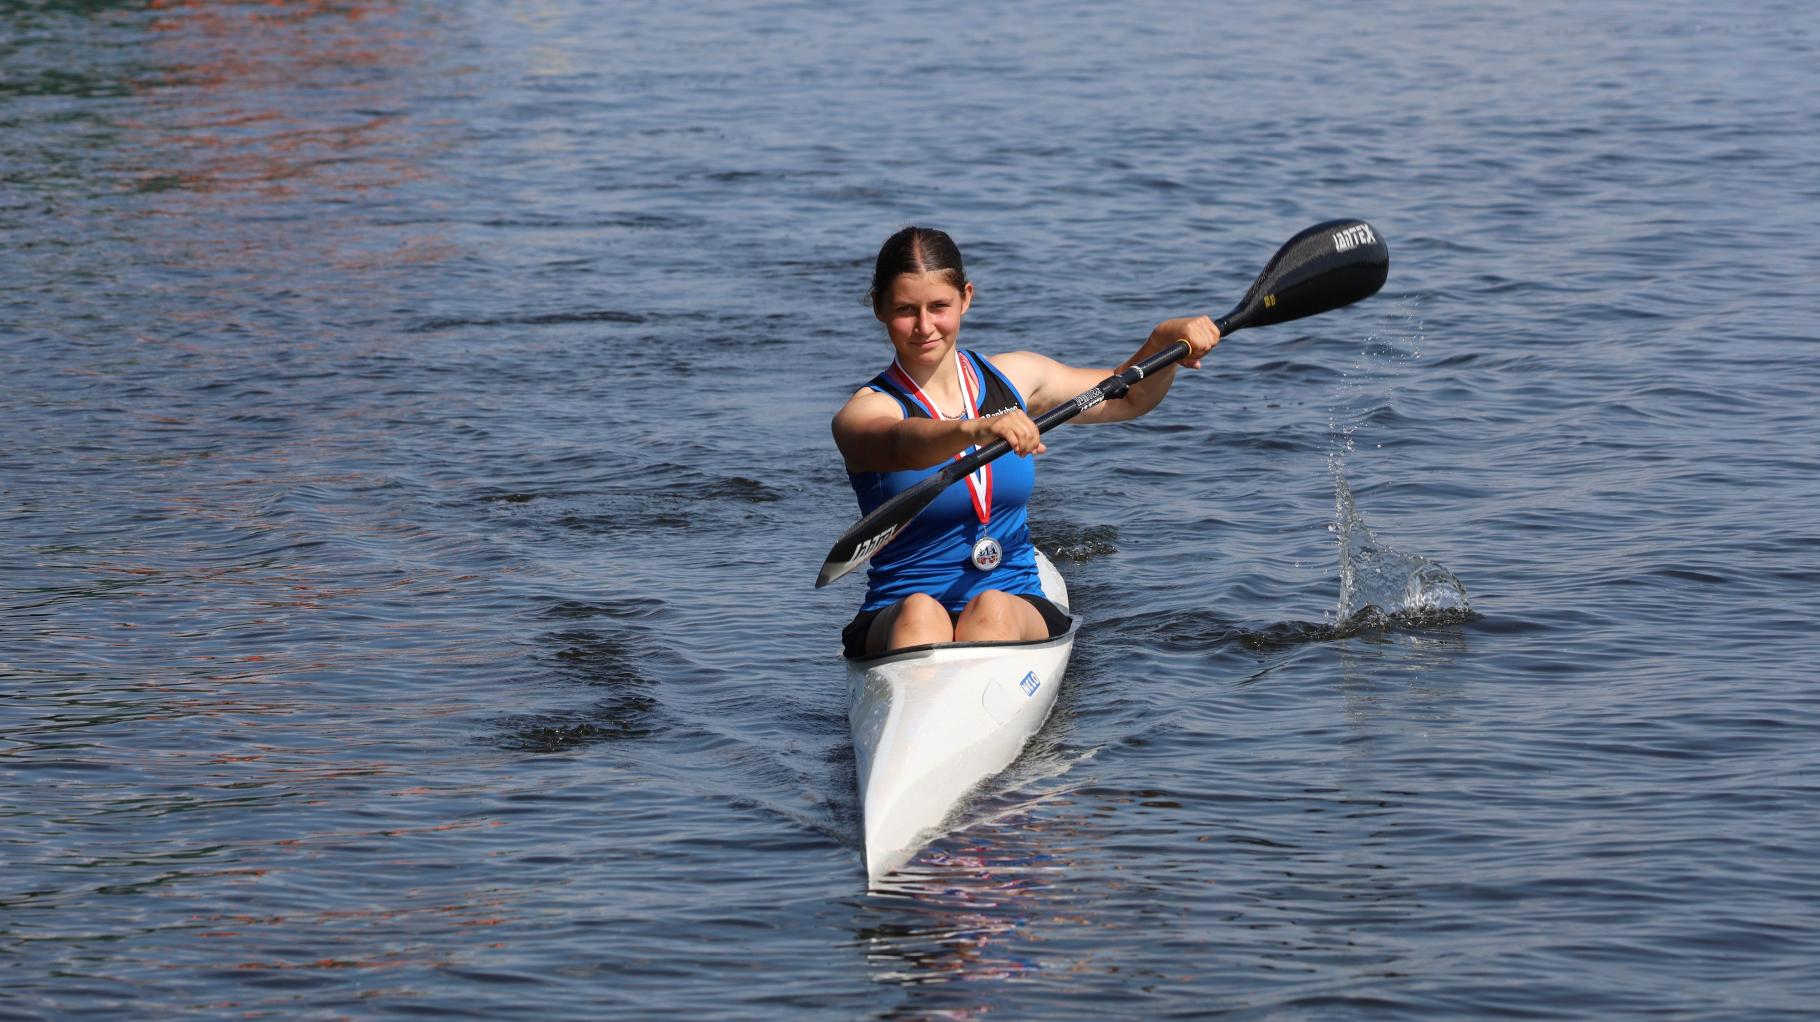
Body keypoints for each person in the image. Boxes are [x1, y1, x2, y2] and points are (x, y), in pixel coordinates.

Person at [833, 226, 1219, 659]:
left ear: (966, 298)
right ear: (880, 309)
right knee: (921, 613)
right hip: (898, 614)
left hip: (1012, 601)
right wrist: (978, 429)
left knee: (991, 608)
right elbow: (902, 445)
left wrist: (1164, 342)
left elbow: (1127, 397)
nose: (925, 326)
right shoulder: (866, 412)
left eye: (939, 306)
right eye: (906, 309)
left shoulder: (1015, 378)